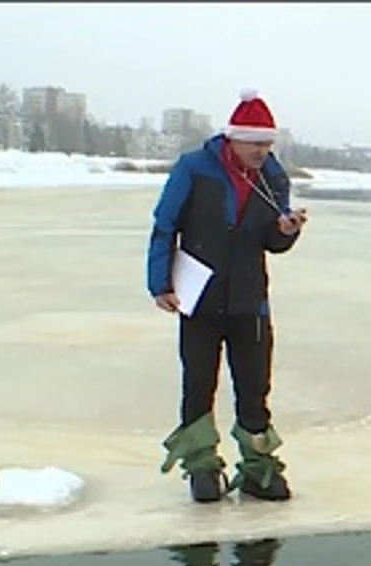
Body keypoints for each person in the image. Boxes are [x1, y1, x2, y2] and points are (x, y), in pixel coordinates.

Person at [146, 89, 308, 504]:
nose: (263, 151)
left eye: (268, 143)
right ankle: (201, 465)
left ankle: (257, 468)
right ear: (233, 138)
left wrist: (286, 231)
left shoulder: (274, 177)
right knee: (199, 383)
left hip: (250, 302)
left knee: (254, 387)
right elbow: (166, 225)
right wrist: (160, 283)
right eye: (256, 143)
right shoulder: (194, 169)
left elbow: (272, 241)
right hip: (198, 298)